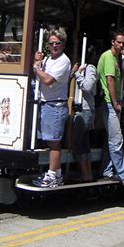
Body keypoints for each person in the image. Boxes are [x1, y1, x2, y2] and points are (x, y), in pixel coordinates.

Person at [32, 30, 71, 188]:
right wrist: (38, 63)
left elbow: (47, 80)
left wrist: (36, 67)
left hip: (55, 106)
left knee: (54, 143)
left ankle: (53, 176)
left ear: (62, 44)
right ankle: (57, 174)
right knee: (50, 141)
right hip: (45, 103)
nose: (54, 46)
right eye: (51, 43)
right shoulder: (48, 59)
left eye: (57, 43)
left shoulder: (64, 61)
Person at [97, 31, 124, 189]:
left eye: (123, 43)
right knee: (117, 140)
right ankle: (123, 175)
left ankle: (106, 171)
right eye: (119, 42)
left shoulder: (116, 59)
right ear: (113, 42)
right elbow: (110, 80)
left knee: (111, 140)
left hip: (113, 102)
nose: (122, 45)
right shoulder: (108, 57)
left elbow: (120, 76)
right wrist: (115, 103)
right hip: (109, 103)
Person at [71, 45, 97, 182]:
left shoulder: (90, 68)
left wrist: (77, 74)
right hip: (79, 109)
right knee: (84, 142)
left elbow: (88, 87)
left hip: (85, 110)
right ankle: (88, 174)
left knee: (76, 142)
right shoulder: (78, 68)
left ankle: (86, 173)